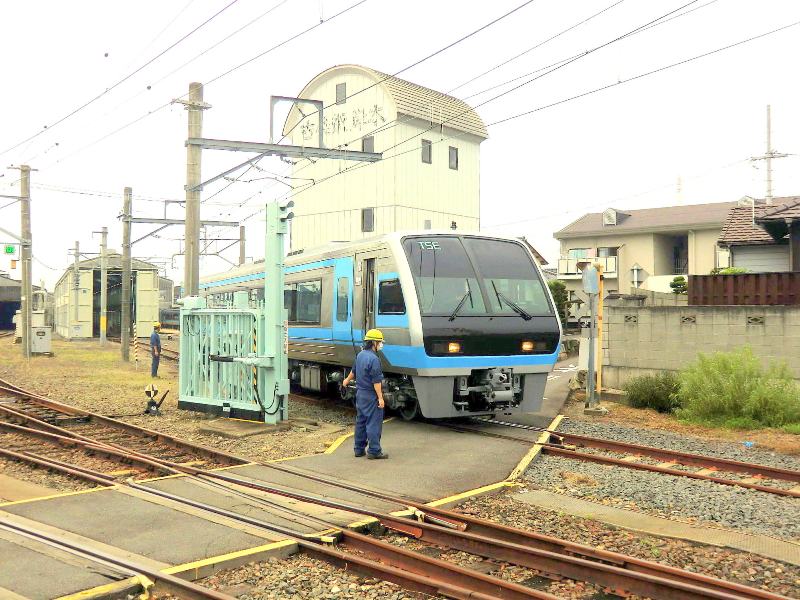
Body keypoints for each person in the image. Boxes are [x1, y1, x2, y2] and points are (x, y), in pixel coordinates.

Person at [341, 329, 388, 459]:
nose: (381, 345)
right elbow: (376, 381)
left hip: (360, 394)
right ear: (374, 342)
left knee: (361, 422)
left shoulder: (360, 355)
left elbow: (353, 371)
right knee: (373, 422)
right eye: (379, 342)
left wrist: (346, 381)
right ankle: (374, 451)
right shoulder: (374, 359)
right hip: (371, 395)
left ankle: (359, 449)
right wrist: (380, 398)